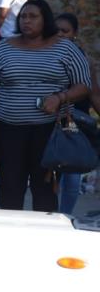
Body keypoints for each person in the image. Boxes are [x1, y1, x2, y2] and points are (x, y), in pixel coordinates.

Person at [0, 0, 92, 211]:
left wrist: (60, 97)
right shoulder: (3, 48)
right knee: (10, 188)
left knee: (44, 189)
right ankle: (12, 235)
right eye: (23, 17)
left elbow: (84, 86)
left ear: (45, 19)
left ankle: (44, 237)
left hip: (50, 131)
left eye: (33, 16)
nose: (26, 21)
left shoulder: (66, 49)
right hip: (8, 129)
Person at [55, 13, 100, 215]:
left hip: (73, 122)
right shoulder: (45, 55)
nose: (61, 35)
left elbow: (94, 95)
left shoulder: (84, 61)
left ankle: (64, 215)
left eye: (65, 31)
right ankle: (49, 213)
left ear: (74, 34)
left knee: (71, 172)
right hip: (47, 119)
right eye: (57, 31)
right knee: (47, 171)